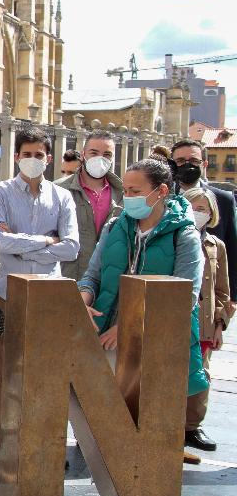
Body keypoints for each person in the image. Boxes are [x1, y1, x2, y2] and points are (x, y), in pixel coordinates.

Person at [78, 159, 207, 465]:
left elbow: (183, 296)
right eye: (126, 189)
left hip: (159, 345)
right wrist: (82, 298)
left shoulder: (184, 236)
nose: (128, 197)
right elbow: (92, 275)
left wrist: (128, 328)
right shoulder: (114, 227)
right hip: (109, 337)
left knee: (151, 425)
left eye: (136, 190)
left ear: (161, 191)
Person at [0, 129, 79, 470]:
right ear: (17, 156)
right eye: (28, 153)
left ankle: (43, 440)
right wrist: (44, 241)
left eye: (40, 155)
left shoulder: (62, 198)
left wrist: (21, 242)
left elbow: (71, 247)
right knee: (3, 371)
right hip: (5, 293)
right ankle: (1, 442)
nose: (34, 160)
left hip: (47, 294)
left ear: (49, 159)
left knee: (47, 371)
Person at [183, 186, 230, 456]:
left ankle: (192, 427)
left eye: (203, 209)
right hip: (180, 319)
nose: (198, 213)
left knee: (201, 375)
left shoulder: (216, 245)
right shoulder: (176, 238)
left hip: (205, 322)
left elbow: (222, 290)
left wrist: (221, 323)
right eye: (193, 207)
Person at [171, 139, 237, 302]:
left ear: (205, 163)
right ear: (172, 165)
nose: (187, 165)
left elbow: (232, 249)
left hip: (210, 296)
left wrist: (232, 299)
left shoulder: (223, 199)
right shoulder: (161, 198)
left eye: (194, 161)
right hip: (170, 291)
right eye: (180, 161)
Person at [56, 132, 123, 283]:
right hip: (67, 279)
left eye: (107, 154)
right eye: (94, 153)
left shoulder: (124, 193)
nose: (100, 158)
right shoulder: (59, 190)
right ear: (83, 154)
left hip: (108, 282)